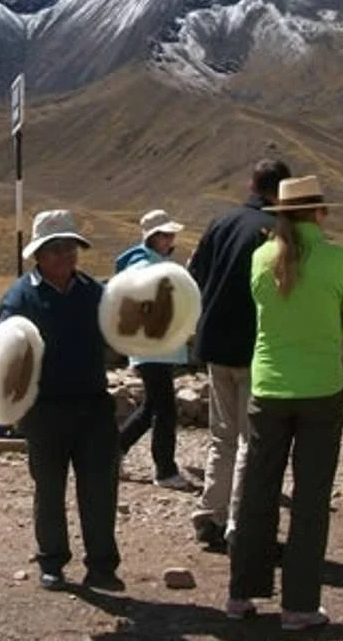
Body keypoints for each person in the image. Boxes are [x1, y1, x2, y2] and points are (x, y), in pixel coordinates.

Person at [227, 176, 343, 631]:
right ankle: (299, 604)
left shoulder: (261, 258)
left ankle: (241, 592)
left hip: (268, 388)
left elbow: (261, 312)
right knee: (310, 498)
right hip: (320, 388)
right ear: (319, 213)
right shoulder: (336, 258)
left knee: (258, 490)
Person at [0, 210, 122, 593]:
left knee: (100, 488)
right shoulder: (21, 296)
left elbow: (118, 334)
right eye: (56, 249)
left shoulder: (94, 292)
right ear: (39, 254)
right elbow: (0, 348)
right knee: (50, 488)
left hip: (93, 403)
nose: (66, 255)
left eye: (71, 247)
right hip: (45, 408)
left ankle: (102, 566)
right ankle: (51, 561)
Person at [188, 158, 293, 549]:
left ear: (251, 184)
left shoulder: (220, 222)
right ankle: (240, 524)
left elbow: (195, 275)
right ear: (282, 191)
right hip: (255, 346)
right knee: (251, 440)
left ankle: (210, 513)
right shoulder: (277, 230)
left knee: (222, 436)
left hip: (215, 344)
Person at [115, 209, 193, 490]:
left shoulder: (152, 263)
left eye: (171, 235)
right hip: (152, 346)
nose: (171, 239)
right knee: (165, 409)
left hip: (155, 346)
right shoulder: (144, 265)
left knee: (153, 406)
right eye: (166, 235)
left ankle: (114, 451)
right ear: (153, 237)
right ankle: (165, 469)